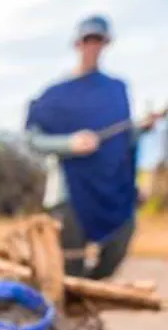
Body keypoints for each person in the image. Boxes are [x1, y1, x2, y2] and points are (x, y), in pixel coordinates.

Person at [25, 15, 162, 280]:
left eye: (98, 39)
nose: (93, 45)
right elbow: (33, 139)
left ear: (106, 43)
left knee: (120, 241)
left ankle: (89, 293)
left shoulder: (115, 89)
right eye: (88, 39)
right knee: (70, 270)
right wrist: (70, 143)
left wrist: (141, 129)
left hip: (112, 192)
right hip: (69, 195)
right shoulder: (57, 94)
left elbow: (121, 142)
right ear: (78, 43)